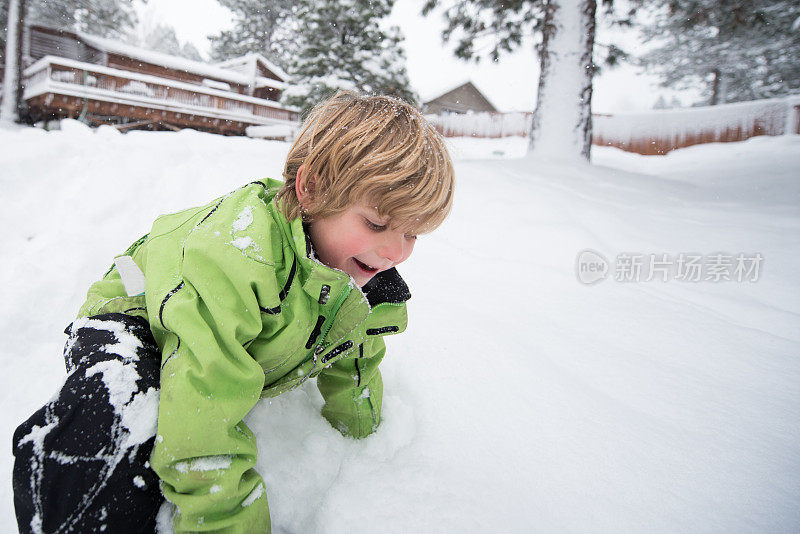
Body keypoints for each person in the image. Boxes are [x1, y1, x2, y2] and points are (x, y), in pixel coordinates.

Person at [12, 91, 455, 533]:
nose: (396, 251)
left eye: (413, 233)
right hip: (137, 311)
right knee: (110, 425)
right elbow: (201, 410)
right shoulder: (240, 260)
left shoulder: (364, 283)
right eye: (377, 224)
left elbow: (356, 362)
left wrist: (366, 433)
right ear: (312, 189)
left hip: (206, 335)